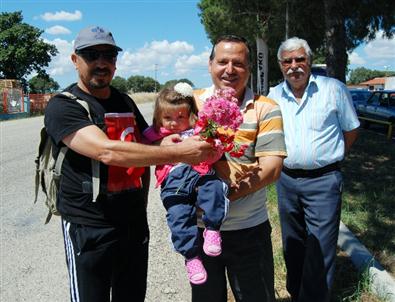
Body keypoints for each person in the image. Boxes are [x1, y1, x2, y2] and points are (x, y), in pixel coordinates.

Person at [44, 25, 214, 302]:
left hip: (133, 223)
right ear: (75, 60)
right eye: (91, 55)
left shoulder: (124, 100)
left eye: (109, 56)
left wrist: (183, 143)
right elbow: (106, 151)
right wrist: (179, 154)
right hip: (89, 226)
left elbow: (147, 145)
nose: (102, 63)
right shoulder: (63, 106)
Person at [192, 35, 287, 302]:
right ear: (210, 65)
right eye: (222, 61)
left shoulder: (266, 108)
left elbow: (270, 169)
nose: (230, 70)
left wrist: (218, 200)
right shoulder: (192, 102)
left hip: (249, 230)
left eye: (239, 63)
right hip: (200, 231)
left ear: (249, 69)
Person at [267, 37, 360, 302]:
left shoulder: (333, 89)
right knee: (293, 244)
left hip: (324, 181)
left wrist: (332, 157)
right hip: (286, 181)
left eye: (300, 59)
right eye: (288, 61)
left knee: (320, 248)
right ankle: (297, 293)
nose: (294, 66)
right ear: (280, 65)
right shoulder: (273, 96)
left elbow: (351, 130)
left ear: (309, 60)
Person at [143, 82, 229, 285]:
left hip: (200, 172)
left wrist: (215, 147)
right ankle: (191, 258)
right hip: (174, 181)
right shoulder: (156, 133)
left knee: (215, 189)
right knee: (178, 217)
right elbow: (140, 145)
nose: (173, 123)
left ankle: (212, 229)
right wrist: (158, 145)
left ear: (190, 115)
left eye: (180, 117)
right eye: (167, 118)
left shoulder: (199, 128)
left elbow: (215, 143)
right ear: (159, 118)